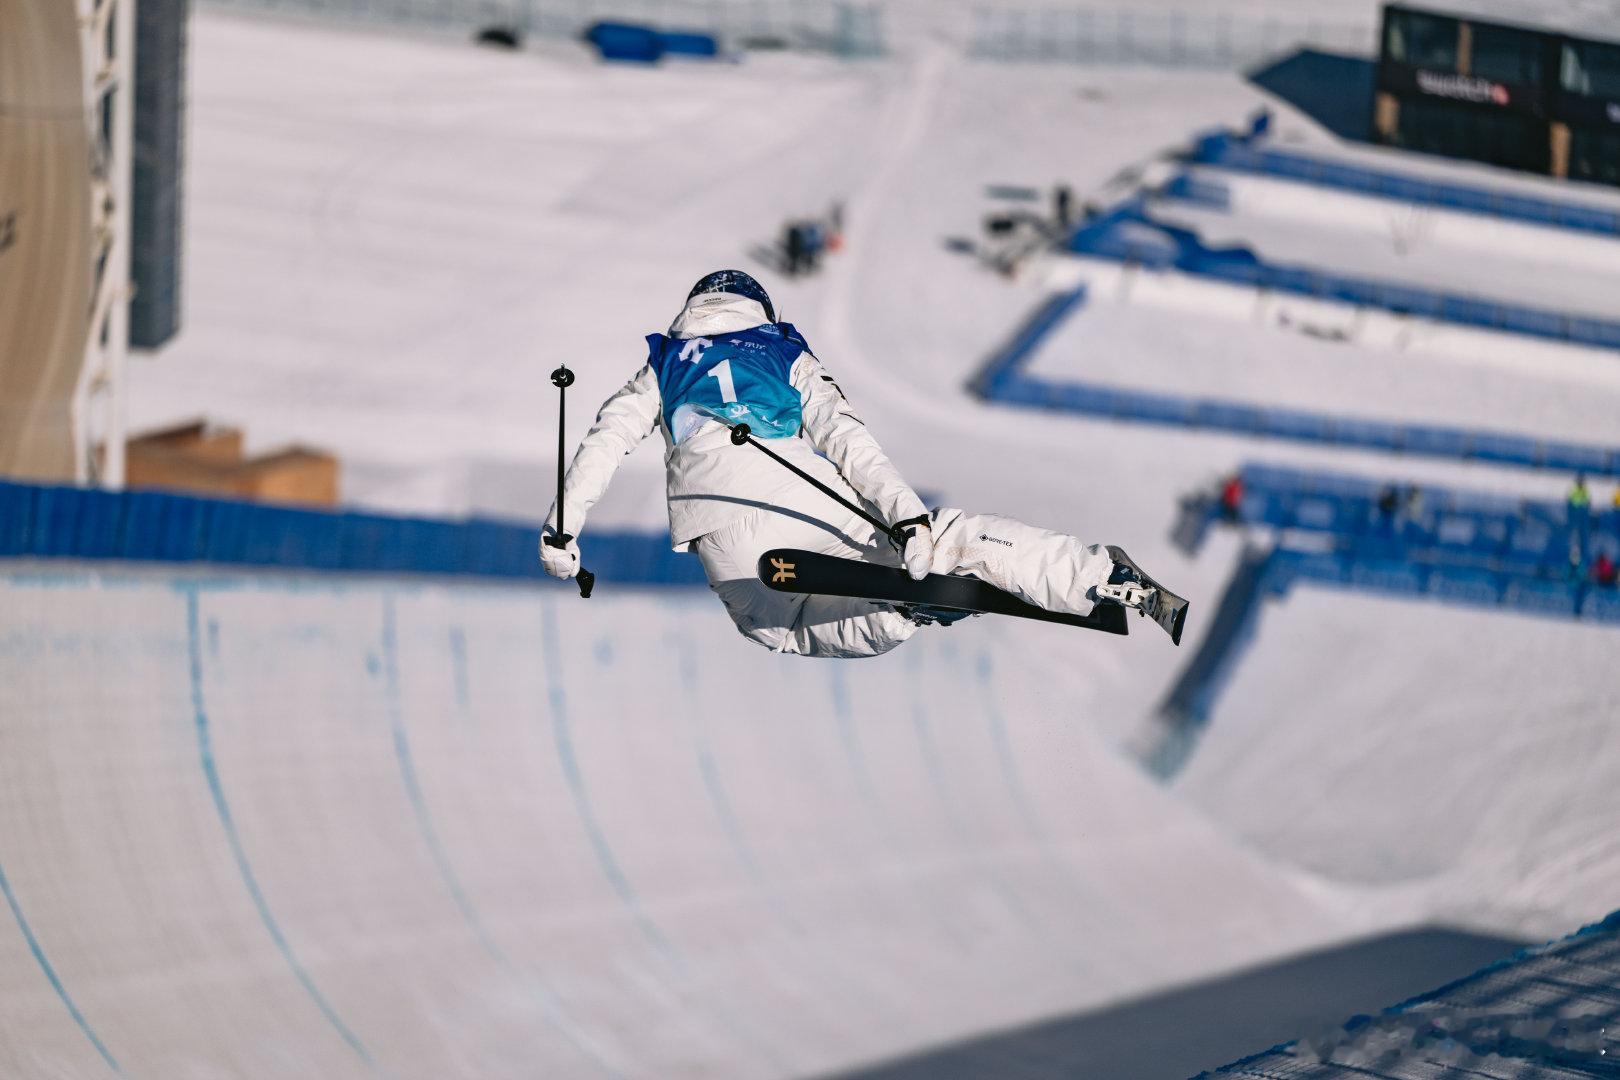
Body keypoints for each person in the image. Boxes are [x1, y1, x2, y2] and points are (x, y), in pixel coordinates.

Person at [540, 270, 1159, 659]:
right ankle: (1094, 575)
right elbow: (846, 439)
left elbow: (604, 440)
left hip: (720, 538)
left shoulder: (666, 361)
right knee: (946, 541)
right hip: (802, 503)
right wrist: (908, 520)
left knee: (786, 631)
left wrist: (562, 531)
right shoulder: (783, 352)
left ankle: (900, 609)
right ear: (759, 308)